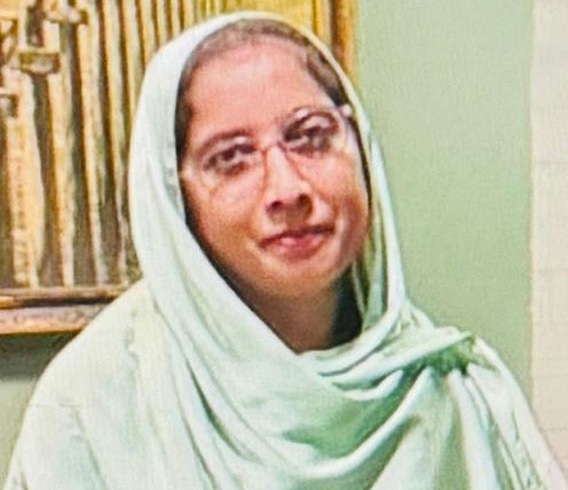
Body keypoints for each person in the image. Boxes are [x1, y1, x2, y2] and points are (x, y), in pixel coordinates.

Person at [4, 11, 567, 489]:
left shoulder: (459, 392)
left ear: (361, 148)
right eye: (231, 158)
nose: (287, 188)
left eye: (310, 137)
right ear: (177, 199)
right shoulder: (93, 407)